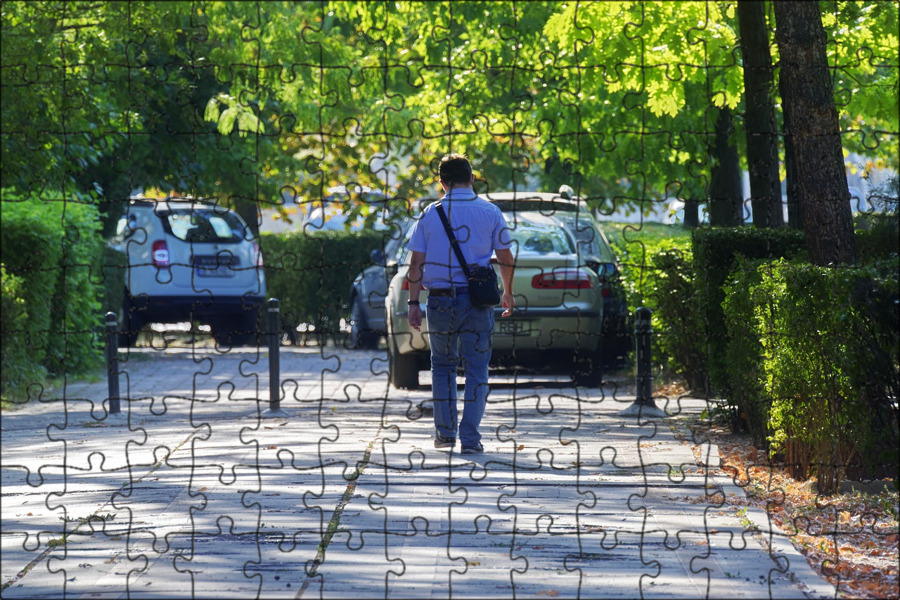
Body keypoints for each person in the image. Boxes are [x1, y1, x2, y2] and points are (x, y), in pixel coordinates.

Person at [406, 154, 516, 455]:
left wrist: (413, 302)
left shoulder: (430, 213)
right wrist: (508, 292)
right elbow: (505, 258)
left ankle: (445, 434)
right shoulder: (491, 212)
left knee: (442, 367)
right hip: (478, 304)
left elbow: (415, 265)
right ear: (472, 178)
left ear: (442, 183)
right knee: (478, 371)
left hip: (440, 302)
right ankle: (470, 438)